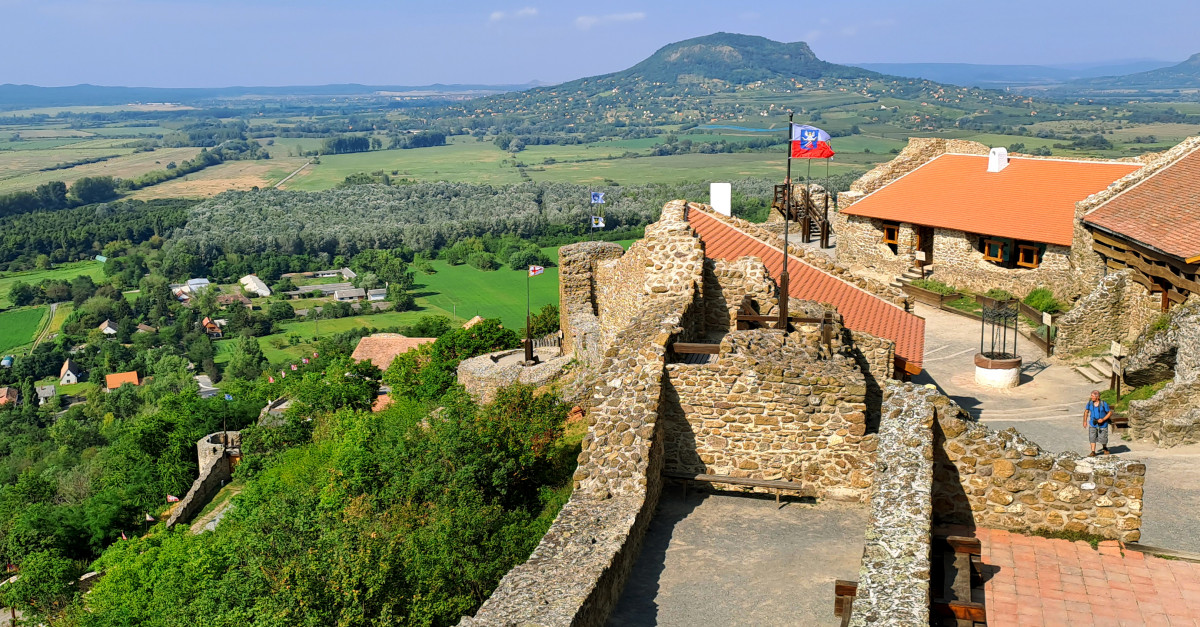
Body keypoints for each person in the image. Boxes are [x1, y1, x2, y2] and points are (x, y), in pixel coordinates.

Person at [1083, 390, 1112, 456]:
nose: (1091, 397)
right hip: (1093, 423)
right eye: (1091, 395)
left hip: (1103, 424)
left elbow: (1110, 413)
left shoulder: (1103, 404)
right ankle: (1093, 451)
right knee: (1092, 437)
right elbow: (1086, 412)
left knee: (1103, 438)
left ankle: (1104, 447)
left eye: (1092, 396)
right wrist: (1085, 421)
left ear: (1097, 397)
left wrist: (1103, 419)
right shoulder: (1090, 403)